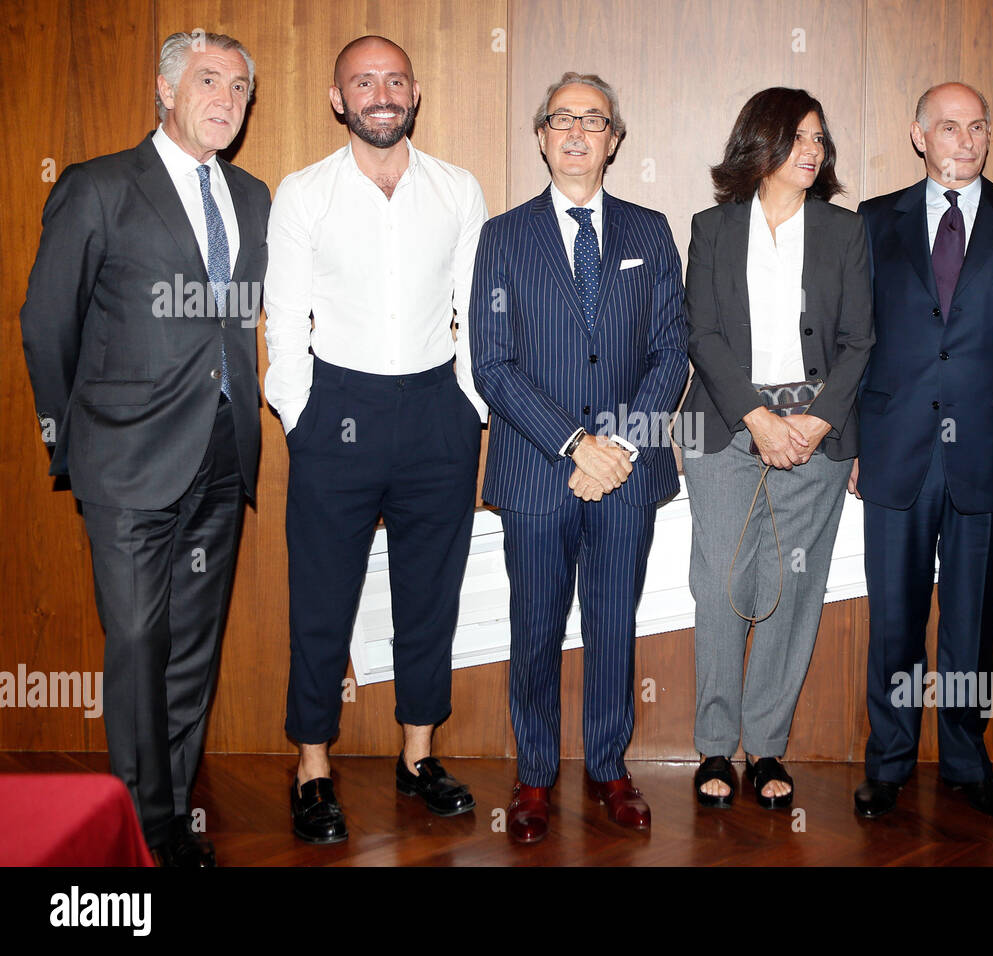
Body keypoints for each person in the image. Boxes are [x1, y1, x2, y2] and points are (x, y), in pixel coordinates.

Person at [19, 30, 268, 866]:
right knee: (135, 645)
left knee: (193, 649)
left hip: (222, 455)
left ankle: (170, 812)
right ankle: (141, 829)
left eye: (238, 86)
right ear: (165, 92)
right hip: (126, 463)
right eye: (208, 80)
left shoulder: (254, 196)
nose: (226, 99)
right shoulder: (98, 187)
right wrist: (75, 435)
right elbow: (47, 322)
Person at [264, 36, 486, 844]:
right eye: (363, 82)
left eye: (394, 80)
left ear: (415, 93)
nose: (380, 93)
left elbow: (477, 310)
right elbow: (284, 319)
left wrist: (468, 406)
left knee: (430, 597)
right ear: (338, 99)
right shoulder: (304, 194)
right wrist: (300, 413)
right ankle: (313, 766)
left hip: (437, 412)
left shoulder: (458, 189)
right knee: (322, 599)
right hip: (338, 411)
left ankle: (418, 755)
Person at [471, 71, 688, 844]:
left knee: (611, 624)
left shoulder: (650, 231)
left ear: (613, 139)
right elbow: (491, 364)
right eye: (560, 118)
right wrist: (574, 444)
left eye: (592, 119)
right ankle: (534, 775)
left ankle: (609, 767)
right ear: (540, 136)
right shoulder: (502, 236)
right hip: (537, 470)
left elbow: (672, 352)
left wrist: (620, 444)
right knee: (532, 627)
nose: (575, 132)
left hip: (627, 474)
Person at [851, 82, 993, 821]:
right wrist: (852, 444)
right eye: (948, 128)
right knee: (895, 621)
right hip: (895, 450)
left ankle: (968, 765)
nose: (965, 141)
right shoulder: (874, 220)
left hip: (992, 454)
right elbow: (857, 344)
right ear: (919, 136)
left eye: (977, 127)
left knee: (972, 621)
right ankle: (888, 764)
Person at [681, 88, 872, 809]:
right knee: (720, 588)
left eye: (820, 138)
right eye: (798, 137)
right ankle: (713, 749)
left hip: (816, 433)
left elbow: (861, 340)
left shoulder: (845, 232)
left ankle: (765, 748)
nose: (813, 150)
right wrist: (759, 418)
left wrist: (818, 423)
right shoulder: (712, 227)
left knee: (792, 591)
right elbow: (703, 334)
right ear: (759, 144)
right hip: (728, 430)